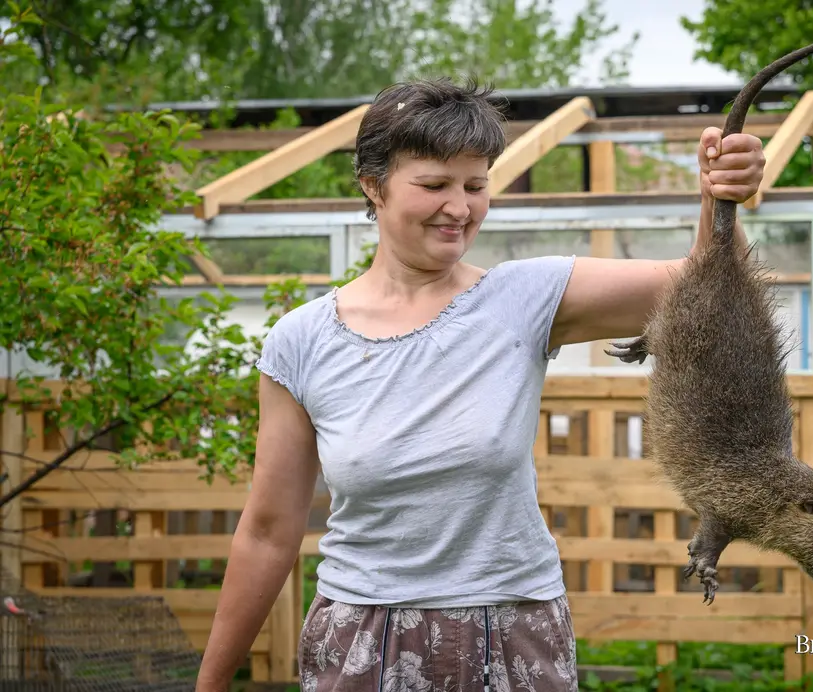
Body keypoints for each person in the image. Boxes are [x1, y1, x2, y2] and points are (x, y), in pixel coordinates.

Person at [195, 78, 764, 692]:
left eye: (475, 185)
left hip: (512, 628)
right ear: (373, 185)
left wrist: (718, 194)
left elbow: (701, 288)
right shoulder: (302, 341)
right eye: (434, 185)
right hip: (363, 638)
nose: (460, 208)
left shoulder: (524, 298)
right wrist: (211, 683)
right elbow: (268, 531)